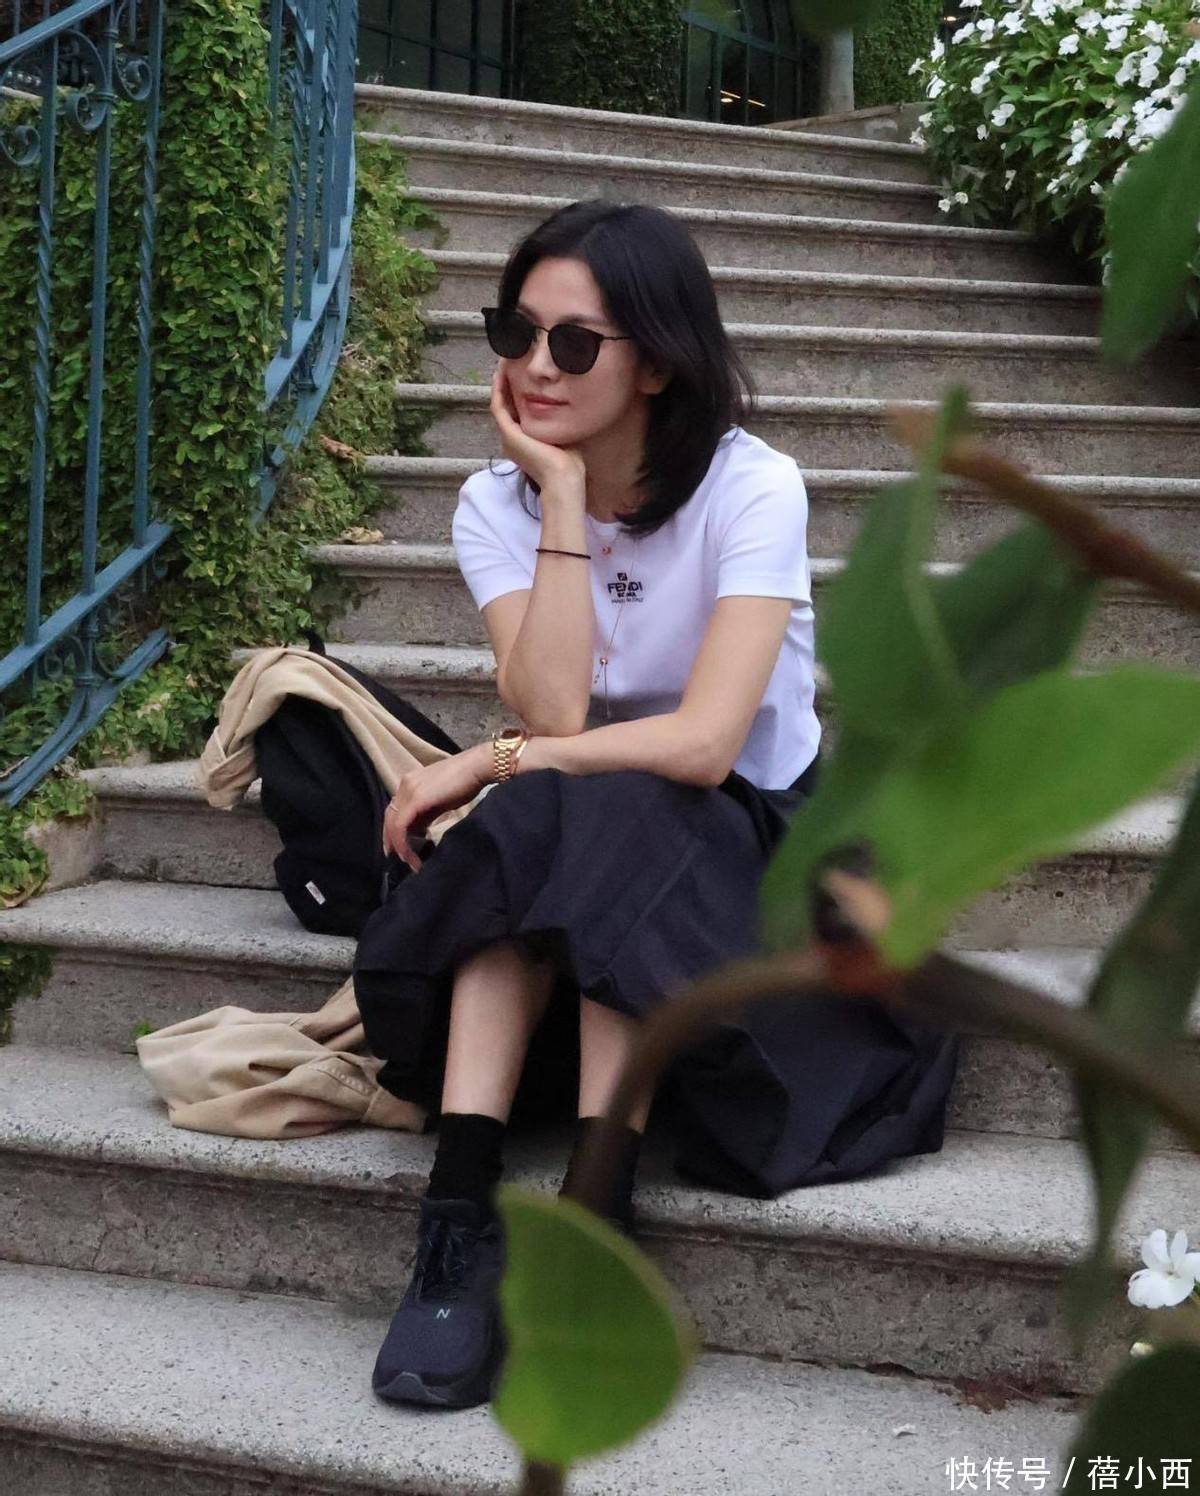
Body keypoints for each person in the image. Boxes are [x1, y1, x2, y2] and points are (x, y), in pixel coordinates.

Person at [352, 198, 958, 1412]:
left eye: (574, 343)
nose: (535, 366)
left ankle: (597, 1207)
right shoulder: (493, 504)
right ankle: (457, 1215)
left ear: (660, 362)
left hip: (758, 841)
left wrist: (486, 761)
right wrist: (559, 500)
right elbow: (557, 710)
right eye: (514, 332)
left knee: (593, 804)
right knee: (565, 810)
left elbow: (704, 742)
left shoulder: (752, 486)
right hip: (593, 828)